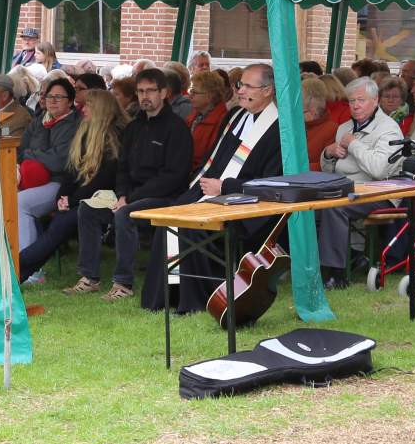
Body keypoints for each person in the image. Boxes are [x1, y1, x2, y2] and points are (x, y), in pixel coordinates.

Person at [146, 62, 283, 313]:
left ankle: (197, 300)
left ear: (268, 90)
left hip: (247, 202)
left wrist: (226, 186)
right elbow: (214, 157)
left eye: (248, 86)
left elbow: (271, 182)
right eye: (240, 84)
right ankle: (168, 295)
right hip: (212, 191)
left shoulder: (279, 129)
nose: (240, 91)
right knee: (169, 217)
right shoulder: (235, 116)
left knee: (194, 229)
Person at [71, 70, 192, 299]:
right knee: (88, 209)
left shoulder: (177, 128)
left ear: (164, 93)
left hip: (166, 198)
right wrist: (123, 194)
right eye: (140, 91)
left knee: (125, 214)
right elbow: (122, 168)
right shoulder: (134, 128)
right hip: (131, 196)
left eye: (150, 91)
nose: (144, 96)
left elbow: (173, 177)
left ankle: (123, 284)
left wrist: (131, 198)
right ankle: (89, 277)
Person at [16, 89, 125, 285]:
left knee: (60, 225)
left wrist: (72, 199)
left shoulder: (112, 138)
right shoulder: (84, 133)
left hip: (103, 198)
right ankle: (20, 269)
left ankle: (19, 266)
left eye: (89, 105)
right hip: (79, 196)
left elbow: (102, 180)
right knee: (57, 225)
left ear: (100, 109)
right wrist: (63, 196)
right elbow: (71, 172)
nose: (83, 109)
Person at [317, 76, 405, 282]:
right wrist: (328, 154)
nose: (355, 106)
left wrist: (354, 144)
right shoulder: (344, 128)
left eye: (361, 100)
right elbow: (330, 170)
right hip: (344, 187)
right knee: (306, 205)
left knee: (335, 207)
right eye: (351, 101)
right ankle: (310, 264)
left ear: (375, 101)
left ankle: (335, 274)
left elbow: (379, 169)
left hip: (379, 190)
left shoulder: (389, 128)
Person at [15, 76, 81, 252]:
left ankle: (29, 267)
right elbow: (21, 151)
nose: (53, 101)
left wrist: (32, 154)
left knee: (20, 202)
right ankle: (3, 257)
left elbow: (59, 162)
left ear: (70, 101)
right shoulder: (40, 120)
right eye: (50, 96)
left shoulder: (75, 124)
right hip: (29, 177)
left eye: (59, 97)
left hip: (59, 183)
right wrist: (36, 154)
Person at [186, 70, 230, 172]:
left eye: (194, 92)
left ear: (210, 96)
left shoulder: (222, 121)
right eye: (190, 91)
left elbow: (208, 158)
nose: (190, 96)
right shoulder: (195, 115)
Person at [303, 76, 339, 163]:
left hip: (311, 175)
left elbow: (326, 165)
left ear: (311, 99)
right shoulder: (295, 123)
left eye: (300, 95)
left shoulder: (331, 129)